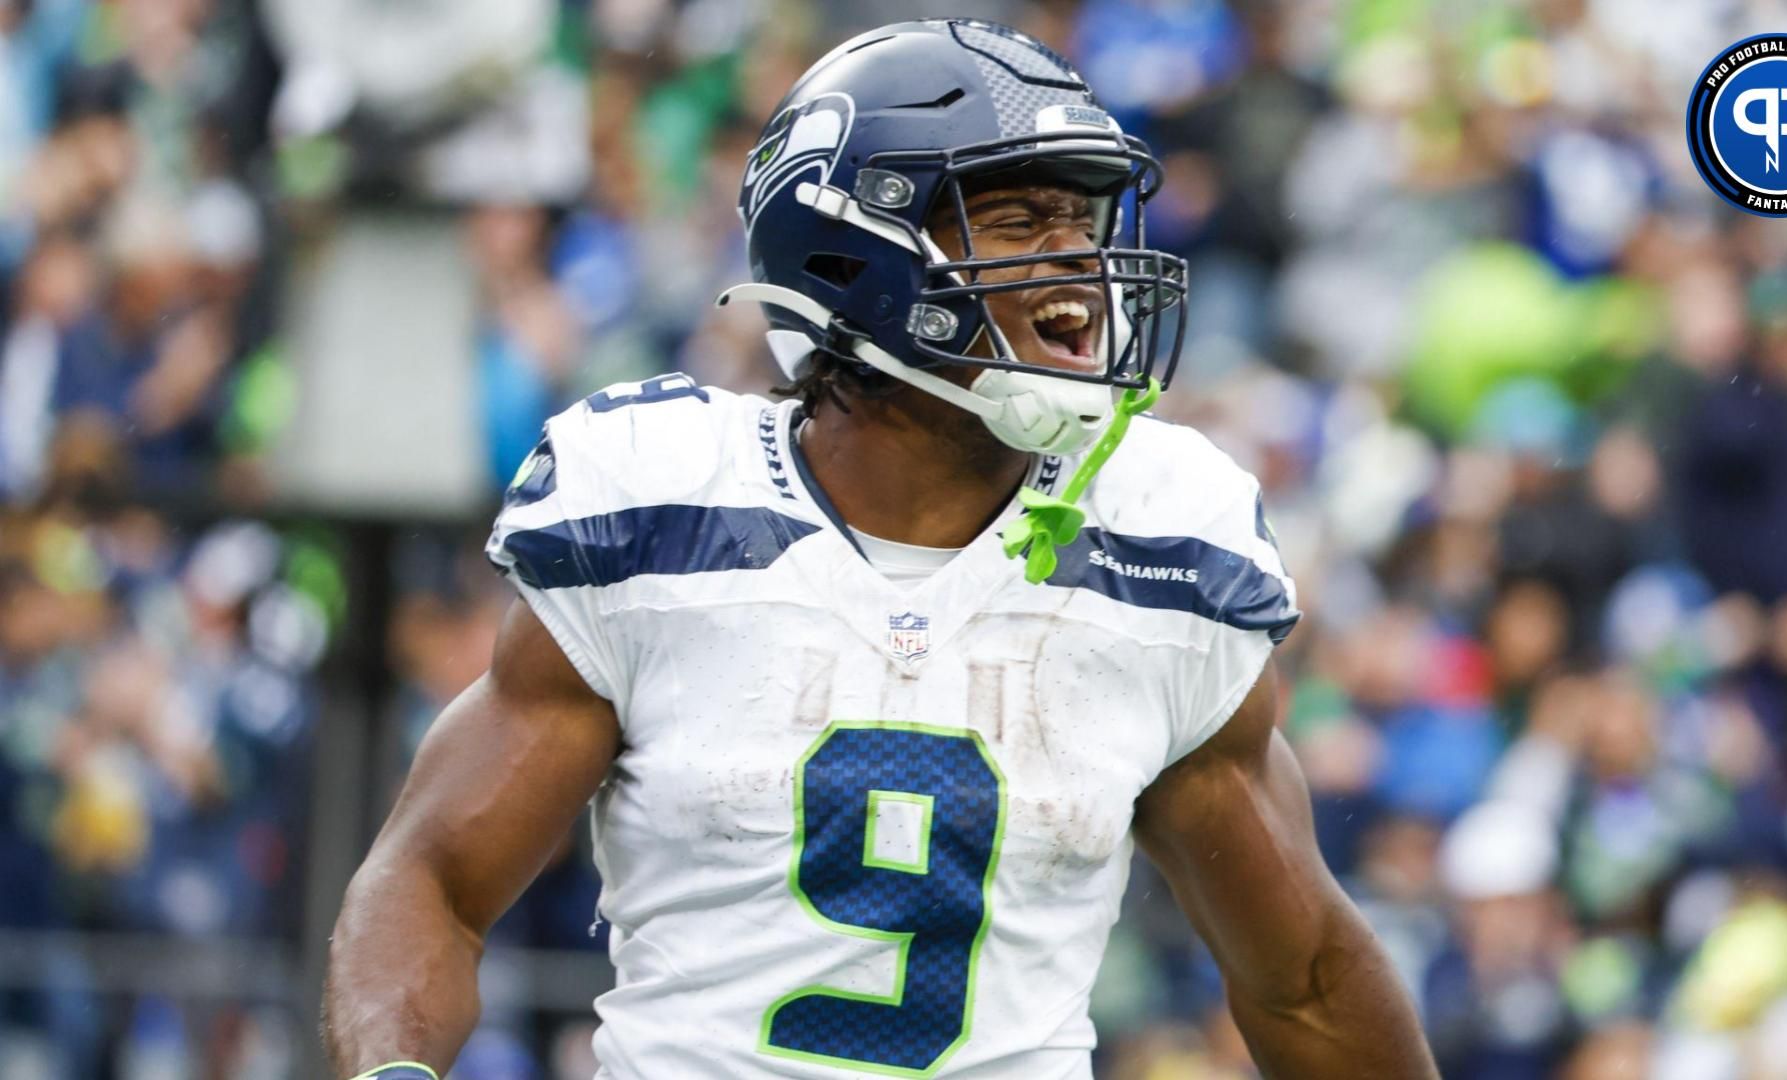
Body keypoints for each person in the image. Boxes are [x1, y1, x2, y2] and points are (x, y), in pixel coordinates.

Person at [322, 19, 1437, 1079]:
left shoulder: (1158, 545)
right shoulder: (664, 509)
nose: (1078, 271)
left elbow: (1305, 982)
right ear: (852, 253)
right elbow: (434, 878)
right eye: (1020, 222)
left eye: (1082, 225)